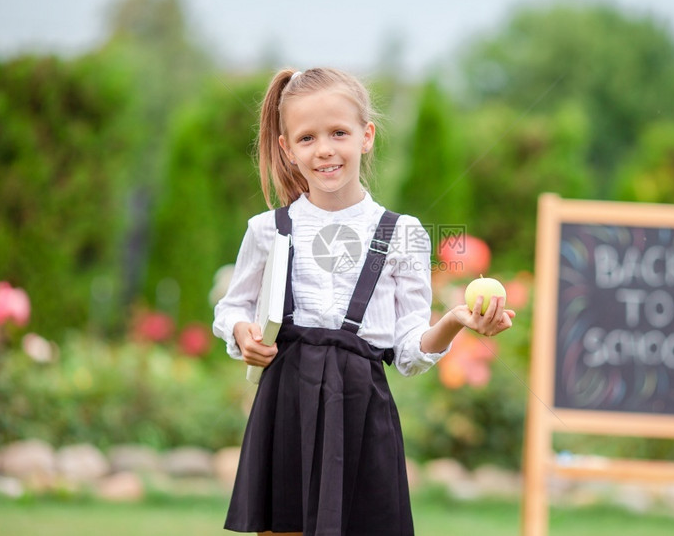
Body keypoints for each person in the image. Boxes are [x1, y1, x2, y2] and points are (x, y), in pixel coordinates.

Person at [213, 67, 515, 536]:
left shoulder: (403, 233)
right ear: (287, 149)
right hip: (285, 405)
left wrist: (455, 320)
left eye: (339, 132)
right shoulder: (268, 229)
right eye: (307, 137)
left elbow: (410, 350)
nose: (326, 149)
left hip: (361, 408)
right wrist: (241, 333)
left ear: (366, 136)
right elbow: (232, 307)